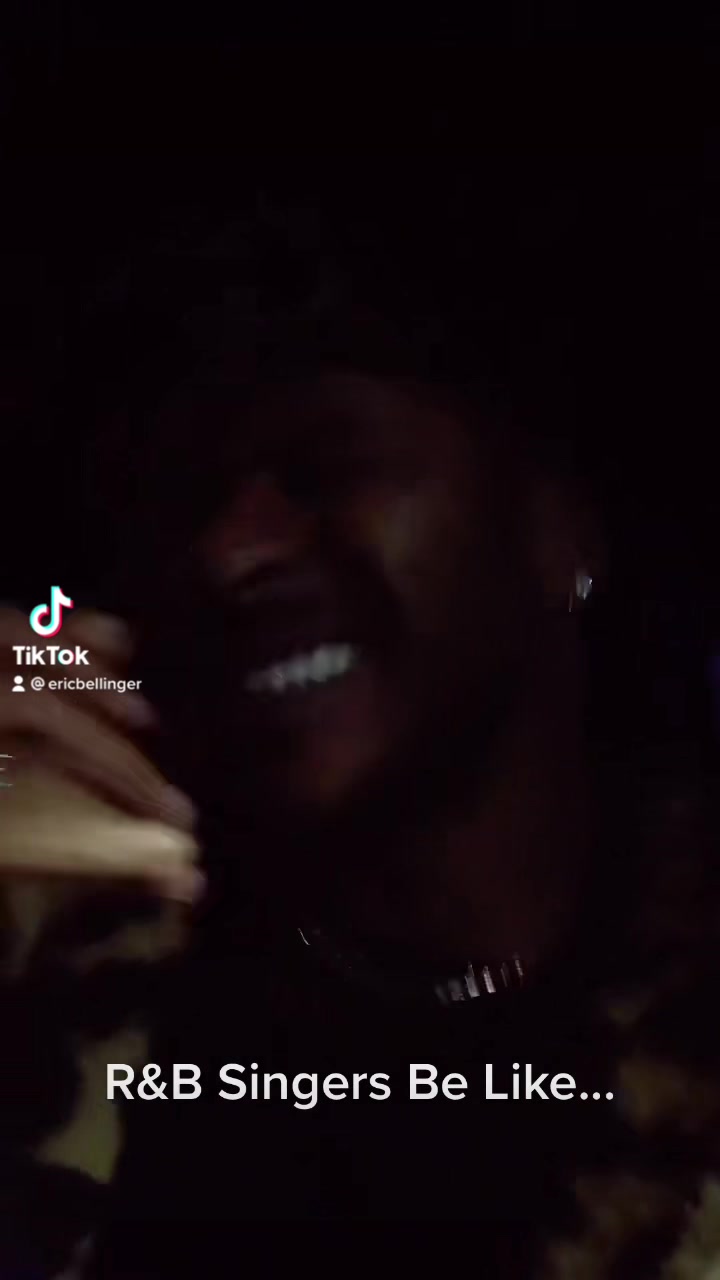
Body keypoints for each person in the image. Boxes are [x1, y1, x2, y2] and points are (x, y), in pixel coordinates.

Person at [1, 189, 719, 1279]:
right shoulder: (87, 975)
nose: (227, 554)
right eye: (182, 499)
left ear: (558, 529)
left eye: (326, 465)